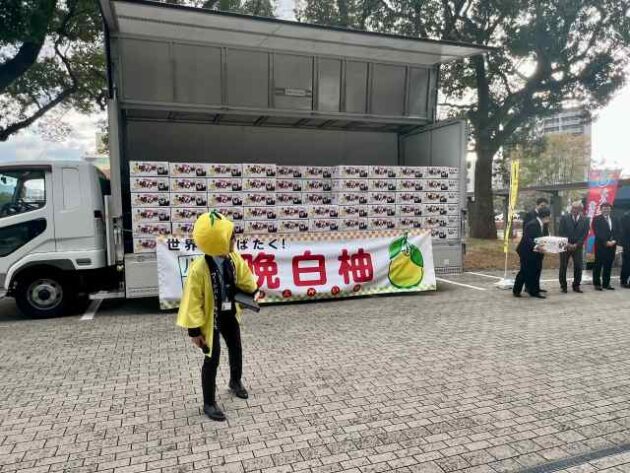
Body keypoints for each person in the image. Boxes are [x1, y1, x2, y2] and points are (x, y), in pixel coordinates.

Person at [176, 211, 258, 421]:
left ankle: (235, 381)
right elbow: (192, 301)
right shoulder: (199, 268)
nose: (234, 240)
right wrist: (194, 331)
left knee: (236, 347)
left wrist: (251, 292)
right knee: (212, 358)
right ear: (217, 241)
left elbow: (246, 279)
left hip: (229, 312)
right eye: (230, 237)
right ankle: (209, 402)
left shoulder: (233, 258)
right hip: (210, 319)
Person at [514, 207, 550, 299]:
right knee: (525, 271)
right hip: (527, 251)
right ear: (545, 216)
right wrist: (536, 246)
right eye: (548, 217)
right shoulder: (532, 224)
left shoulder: (544, 224)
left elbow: (545, 236)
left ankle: (535, 289)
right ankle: (517, 290)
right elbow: (527, 238)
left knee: (537, 270)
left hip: (537, 252)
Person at [558, 201, 590, 293]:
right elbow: (561, 232)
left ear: (581, 209)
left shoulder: (585, 220)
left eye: (576, 208)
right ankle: (563, 286)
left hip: (578, 247)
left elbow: (584, 234)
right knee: (563, 266)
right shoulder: (564, 218)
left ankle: (576, 285)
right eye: (573, 208)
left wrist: (576, 244)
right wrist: (567, 244)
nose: (574, 210)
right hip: (565, 246)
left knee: (578, 266)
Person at [592, 202, 618, 291]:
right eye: (604, 208)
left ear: (610, 209)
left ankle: (606, 284)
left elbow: (618, 231)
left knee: (608, 265)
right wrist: (605, 242)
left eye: (608, 208)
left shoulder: (614, 219)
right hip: (601, 246)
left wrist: (614, 241)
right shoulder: (596, 219)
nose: (606, 210)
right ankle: (597, 284)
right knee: (598, 265)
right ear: (601, 209)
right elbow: (597, 232)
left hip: (612, 246)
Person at [620, 210, 630, 288]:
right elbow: (623, 233)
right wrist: (625, 245)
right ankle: (624, 281)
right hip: (628, 245)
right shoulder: (625, 218)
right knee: (627, 264)